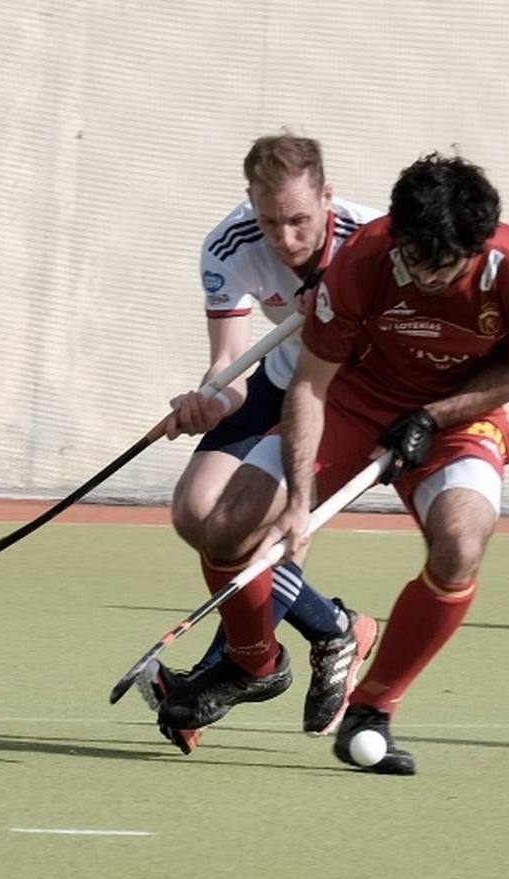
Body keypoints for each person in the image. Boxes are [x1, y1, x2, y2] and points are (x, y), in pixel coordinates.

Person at [153, 152, 509, 775]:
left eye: (443, 267)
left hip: (458, 414)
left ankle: (373, 710)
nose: (424, 279)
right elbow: (311, 387)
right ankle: (252, 662)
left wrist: (437, 416)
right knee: (225, 524)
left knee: (459, 546)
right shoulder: (365, 259)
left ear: (478, 249)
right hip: (353, 399)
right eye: (412, 260)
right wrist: (296, 503)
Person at [135, 134, 382, 754]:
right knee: (194, 512)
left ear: (327, 197)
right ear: (250, 203)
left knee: (248, 526)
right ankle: (335, 628)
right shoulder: (230, 246)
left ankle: (250, 665)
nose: (287, 239)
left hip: (345, 395)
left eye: (300, 220)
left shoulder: (374, 243)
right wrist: (204, 403)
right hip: (278, 380)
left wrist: (337, 306)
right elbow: (230, 370)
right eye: (271, 221)